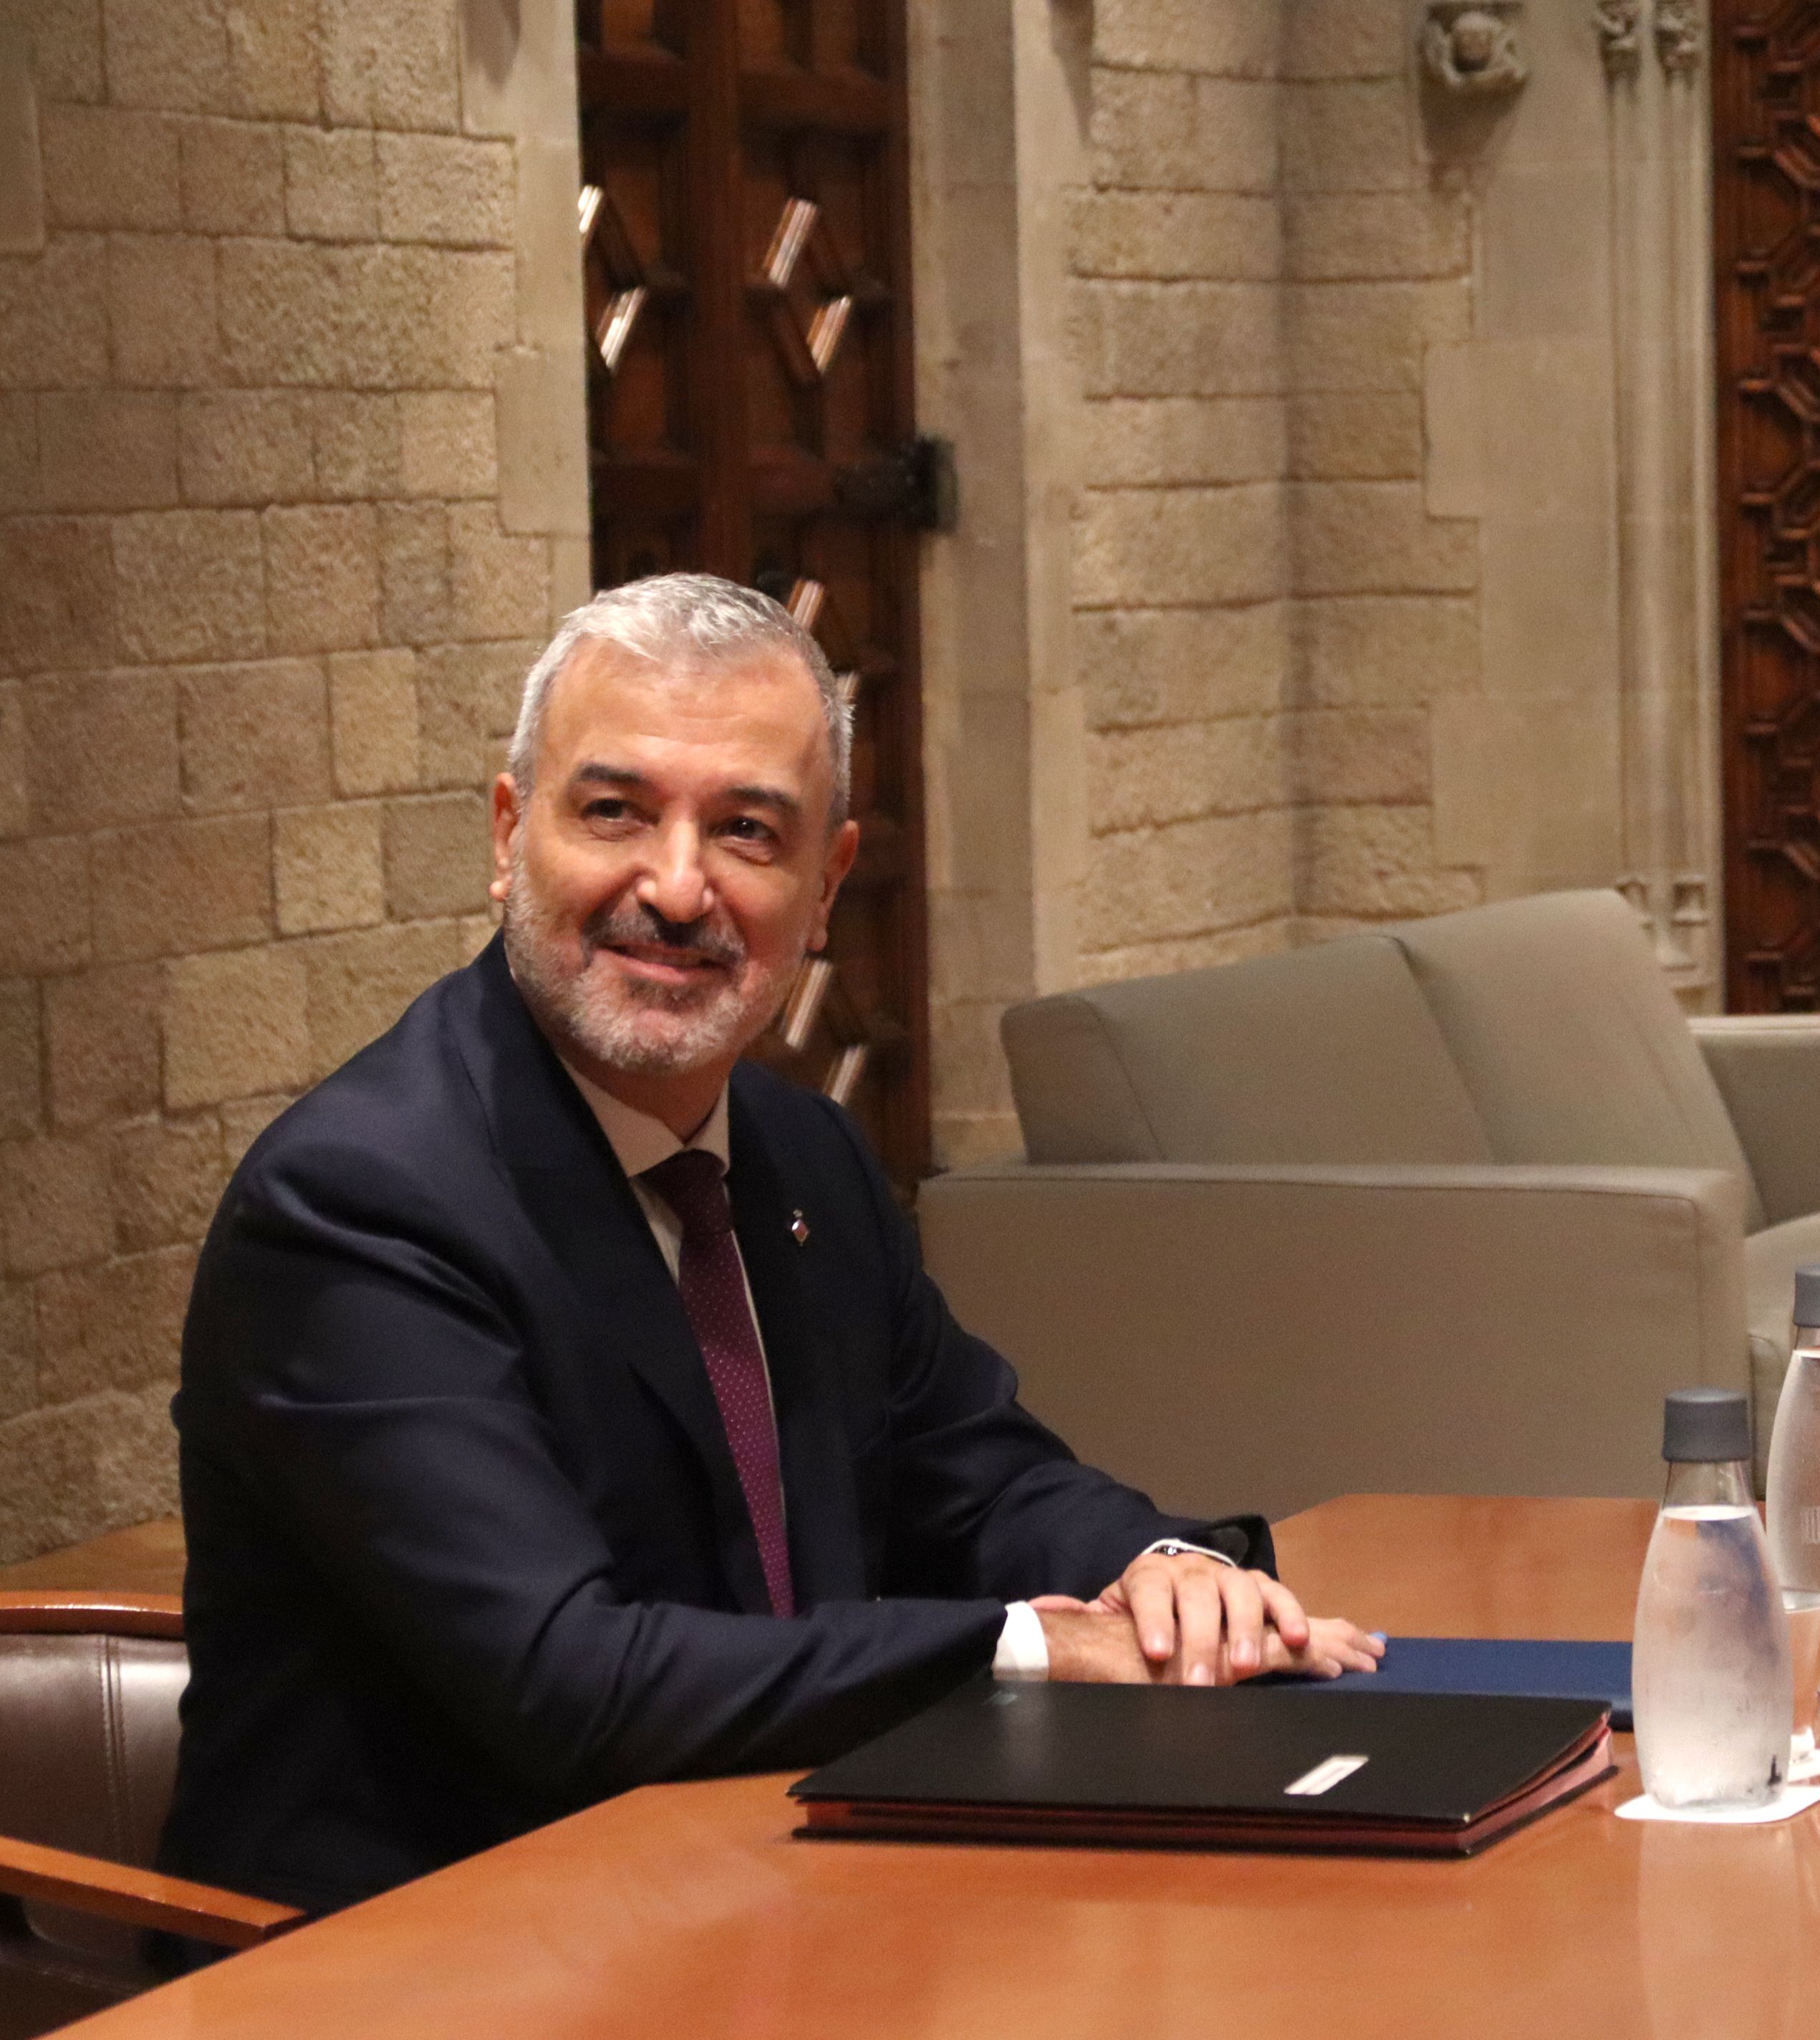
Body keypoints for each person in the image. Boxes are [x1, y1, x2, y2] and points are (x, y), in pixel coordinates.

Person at [161, 574, 1382, 1915]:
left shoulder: (805, 1159)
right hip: (420, 1961)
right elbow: (573, 1682)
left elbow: (975, 1483)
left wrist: (1170, 1574)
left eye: (746, 831)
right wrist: (1034, 1646)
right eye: (614, 811)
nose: (676, 888)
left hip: (764, 1902)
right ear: (511, 838)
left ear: (825, 888)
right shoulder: (360, 1203)